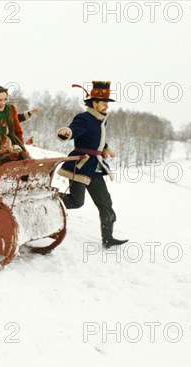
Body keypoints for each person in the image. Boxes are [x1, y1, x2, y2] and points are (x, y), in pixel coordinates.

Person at [57, 81, 127, 248]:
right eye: (104, 103)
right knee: (76, 201)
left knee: (106, 204)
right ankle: (49, 202)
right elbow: (73, 130)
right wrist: (66, 132)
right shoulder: (84, 118)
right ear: (94, 103)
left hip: (95, 168)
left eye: (107, 104)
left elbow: (97, 137)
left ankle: (108, 238)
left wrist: (107, 148)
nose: (106, 107)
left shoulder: (101, 120)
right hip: (81, 165)